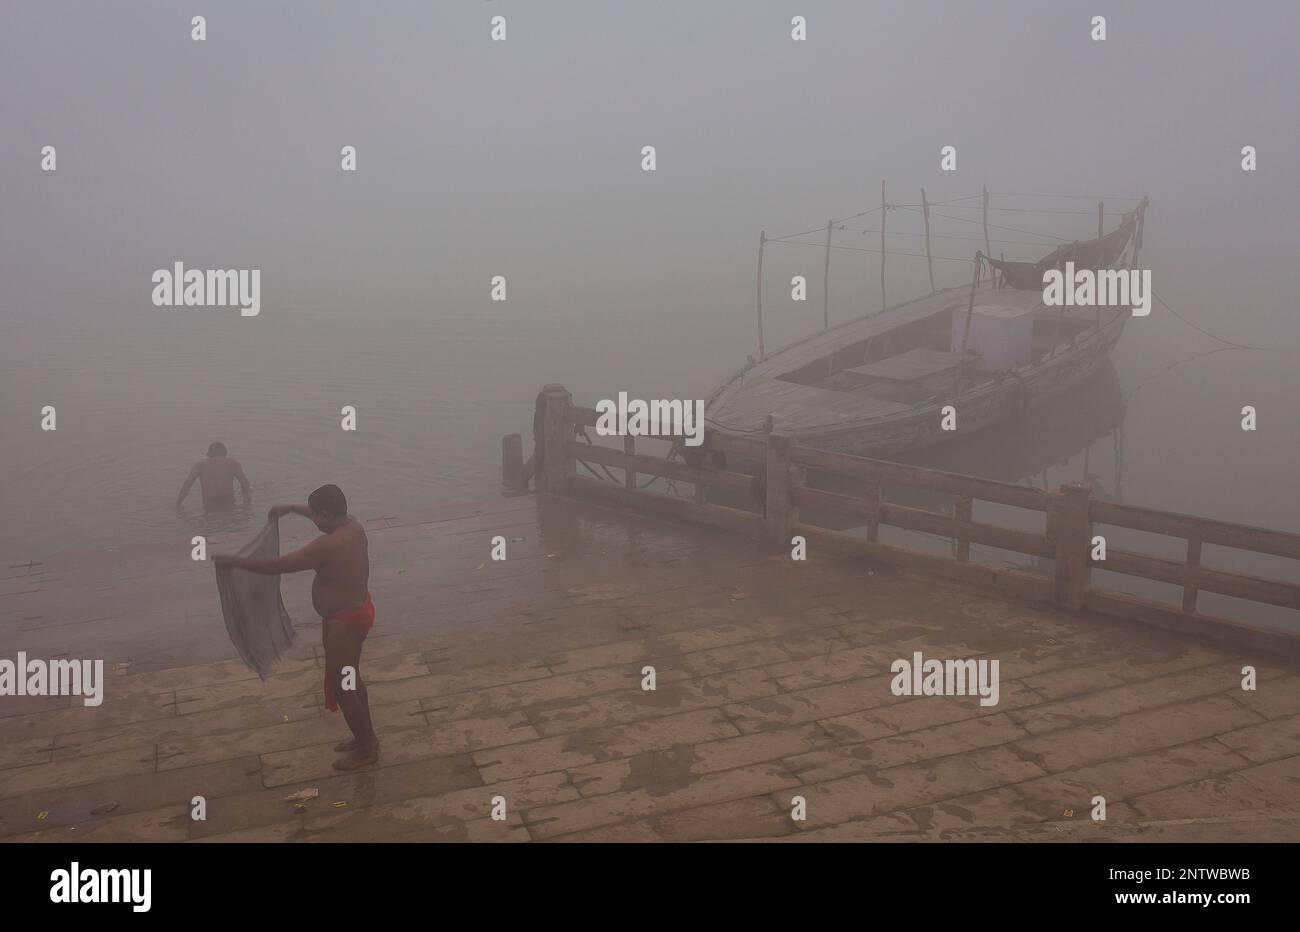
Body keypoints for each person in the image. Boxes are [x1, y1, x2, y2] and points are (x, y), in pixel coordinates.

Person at [213, 484, 378, 770]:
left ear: (326, 514)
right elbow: (322, 516)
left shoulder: (327, 545)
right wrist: (290, 509)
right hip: (355, 612)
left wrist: (236, 562)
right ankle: (366, 739)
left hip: (346, 621)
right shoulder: (353, 525)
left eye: (315, 515)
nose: (313, 520)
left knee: (343, 687)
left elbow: (278, 565)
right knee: (352, 679)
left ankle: (367, 750)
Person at [176, 442, 250, 509]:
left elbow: (187, 485)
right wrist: (246, 502)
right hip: (227, 500)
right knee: (228, 519)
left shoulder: (200, 465)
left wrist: (178, 504)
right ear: (225, 453)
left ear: (209, 453)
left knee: (209, 521)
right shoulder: (233, 463)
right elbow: (244, 483)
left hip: (209, 502)